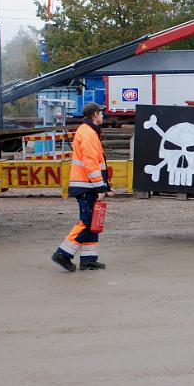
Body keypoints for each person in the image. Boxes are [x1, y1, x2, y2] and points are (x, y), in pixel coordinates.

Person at [51, 102, 114, 272]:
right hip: (86, 187)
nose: (103, 115)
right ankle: (63, 254)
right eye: (101, 112)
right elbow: (91, 163)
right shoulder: (88, 134)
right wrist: (100, 188)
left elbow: (98, 164)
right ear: (95, 114)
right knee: (87, 223)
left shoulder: (89, 132)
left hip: (88, 185)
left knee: (93, 223)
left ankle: (88, 260)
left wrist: (105, 186)